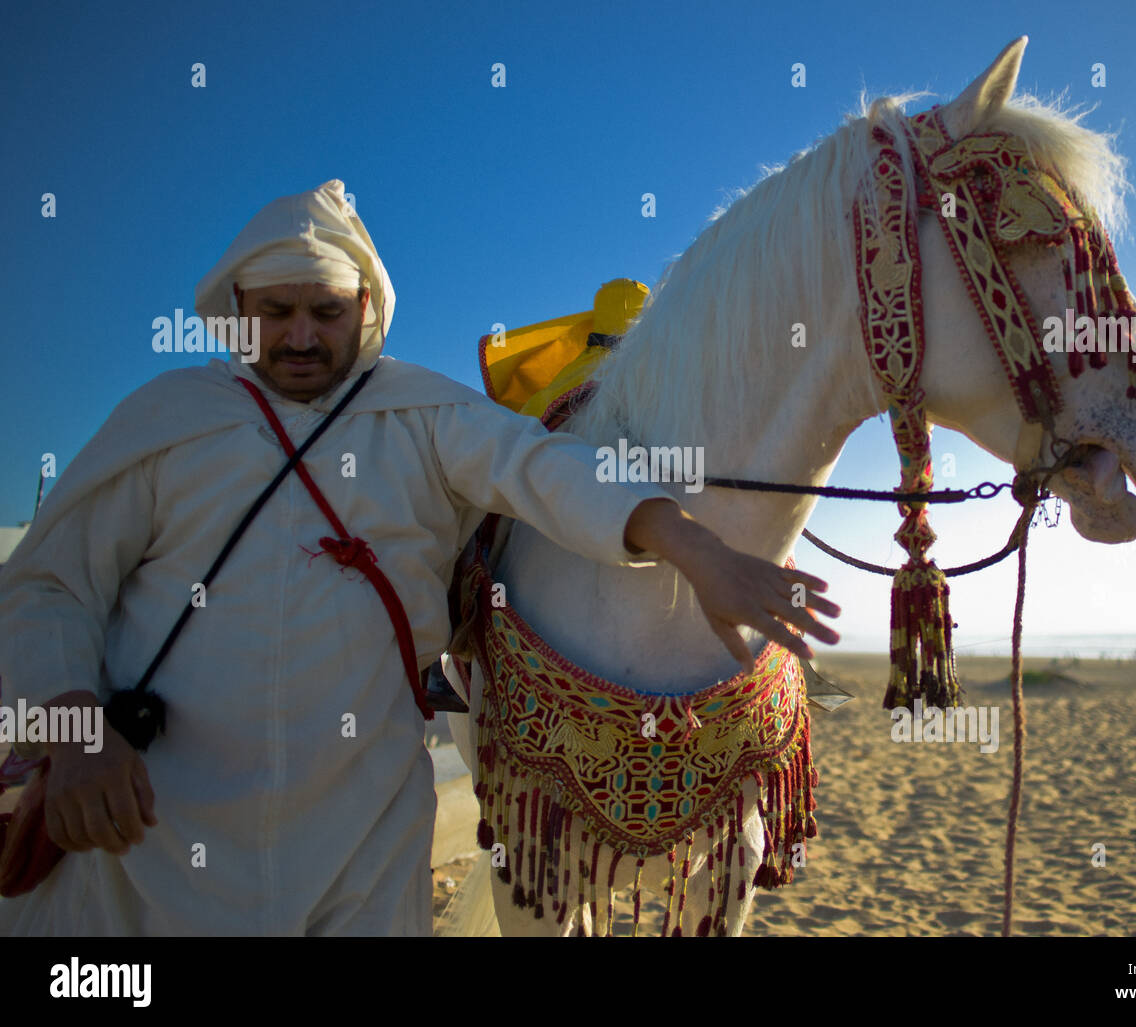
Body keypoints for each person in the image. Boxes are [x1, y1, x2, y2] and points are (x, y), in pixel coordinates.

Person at [0, 180, 838, 935]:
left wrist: (695, 549)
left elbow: (545, 469)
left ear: (363, 306)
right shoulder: (166, 420)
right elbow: (46, 585)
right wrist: (73, 731)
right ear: (237, 306)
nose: (299, 336)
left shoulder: (422, 413)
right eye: (276, 311)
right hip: (149, 838)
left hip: (357, 850)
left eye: (325, 312)